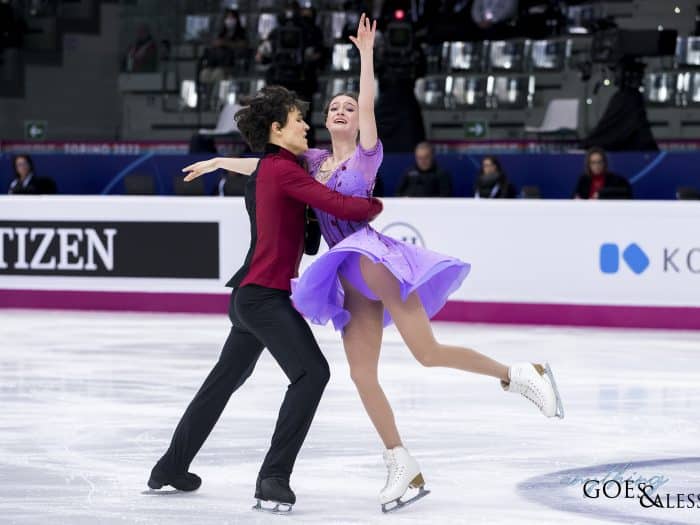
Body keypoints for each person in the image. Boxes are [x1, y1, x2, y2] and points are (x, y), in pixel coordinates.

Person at [182, 14, 564, 513]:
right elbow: (266, 164)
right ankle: (402, 463)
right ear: (324, 121)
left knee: (426, 351)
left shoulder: (366, 155)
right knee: (365, 374)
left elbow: (367, 104)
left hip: (372, 257)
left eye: (349, 107)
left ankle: (519, 373)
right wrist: (219, 162)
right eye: (334, 107)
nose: (342, 110)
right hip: (346, 273)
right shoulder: (312, 161)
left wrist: (365, 57)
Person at [149, 86, 383, 514]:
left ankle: (171, 466)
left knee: (223, 382)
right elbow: (340, 205)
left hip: (250, 296)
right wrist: (373, 206)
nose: (307, 126)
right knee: (312, 373)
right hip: (264, 297)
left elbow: (264, 169)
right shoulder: (284, 170)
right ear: (277, 129)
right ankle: (273, 478)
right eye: (298, 120)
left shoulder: (277, 168)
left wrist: (221, 162)